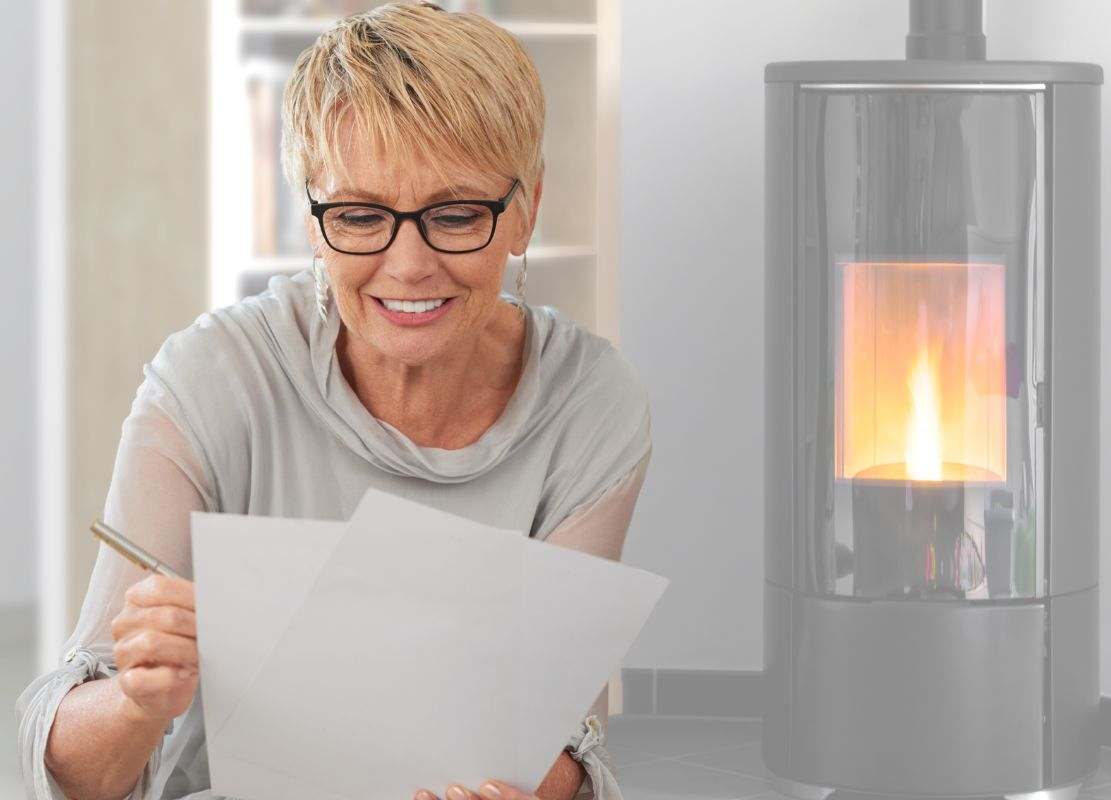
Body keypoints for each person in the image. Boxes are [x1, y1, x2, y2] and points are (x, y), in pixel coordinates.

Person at [15, 4, 651, 799]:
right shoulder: (211, 379)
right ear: (312, 221)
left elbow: (565, 744)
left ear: (525, 209)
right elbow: (70, 770)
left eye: (456, 215)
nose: (409, 264)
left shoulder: (592, 405)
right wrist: (139, 702)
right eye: (359, 216)